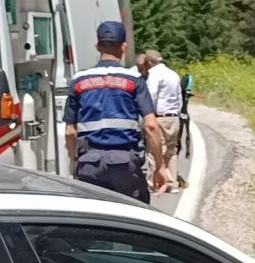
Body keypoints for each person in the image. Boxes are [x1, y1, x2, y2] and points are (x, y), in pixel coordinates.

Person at [64, 22, 170, 202]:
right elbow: (151, 126)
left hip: (90, 164)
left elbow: (70, 131)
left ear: (97, 46)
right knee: (135, 219)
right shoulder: (134, 80)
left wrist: (75, 160)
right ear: (124, 47)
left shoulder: (79, 80)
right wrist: (160, 166)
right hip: (125, 164)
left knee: (95, 222)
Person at [143, 49, 184, 193]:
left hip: (159, 116)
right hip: (174, 116)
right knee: (171, 151)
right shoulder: (173, 74)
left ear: (149, 62)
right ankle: (171, 183)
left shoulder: (154, 74)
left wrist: (149, 114)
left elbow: (152, 94)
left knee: (155, 149)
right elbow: (179, 97)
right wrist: (178, 113)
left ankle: (153, 183)